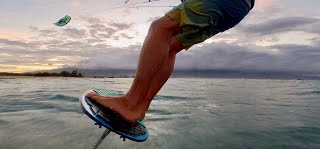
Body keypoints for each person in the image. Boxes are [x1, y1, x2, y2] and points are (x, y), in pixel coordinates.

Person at [87, 0, 255, 125]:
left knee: (160, 28)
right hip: (239, 9)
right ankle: (140, 107)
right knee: (172, 45)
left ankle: (130, 103)